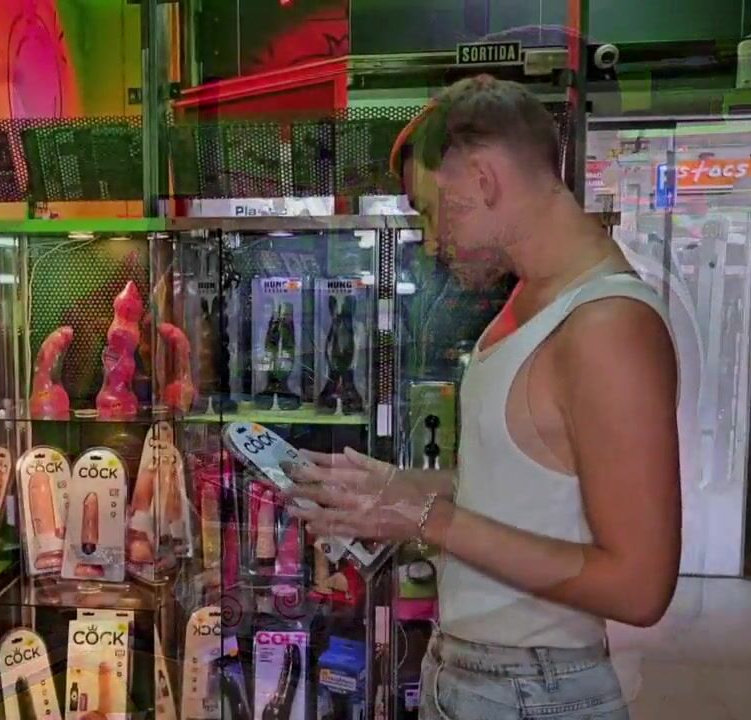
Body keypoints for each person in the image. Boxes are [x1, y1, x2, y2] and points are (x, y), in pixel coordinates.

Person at [287, 75, 685, 719]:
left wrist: (427, 520)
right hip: (477, 676)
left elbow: (639, 587)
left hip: (533, 692)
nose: (432, 239)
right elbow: (519, 490)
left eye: (433, 210)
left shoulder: (608, 326)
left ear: (482, 178)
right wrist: (395, 488)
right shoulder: (529, 302)